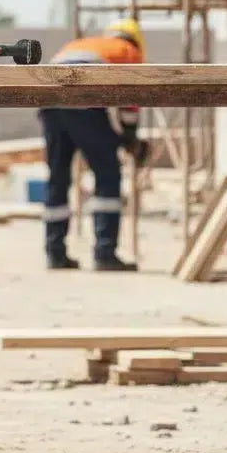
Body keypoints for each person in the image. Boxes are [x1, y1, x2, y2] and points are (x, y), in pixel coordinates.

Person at [38, 19, 148, 273]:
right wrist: (130, 139)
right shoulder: (129, 52)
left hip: (49, 101)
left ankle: (55, 253)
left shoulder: (81, 43)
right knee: (107, 173)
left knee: (58, 177)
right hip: (83, 102)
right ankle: (105, 253)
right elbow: (130, 105)